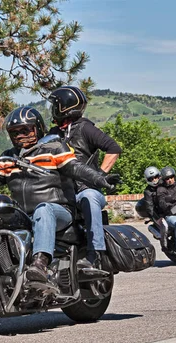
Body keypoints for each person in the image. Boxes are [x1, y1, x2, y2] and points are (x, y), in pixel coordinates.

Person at [0, 106, 121, 285]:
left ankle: (41, 264)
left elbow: (75, 167)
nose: (20, 135)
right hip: (25, 215)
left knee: (43, 209)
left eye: (25, 130)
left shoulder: (53, 148)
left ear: (37, 128)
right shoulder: (8, 158)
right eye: (14, 132)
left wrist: (100, 178)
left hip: (59, 210)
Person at [47, 85, 123, 270]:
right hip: (61, 192)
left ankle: (95, 253)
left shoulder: (85, 128)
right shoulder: (53, 134)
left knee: (89, 197)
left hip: (85, 190)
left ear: (64, 107)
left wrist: (100, 176)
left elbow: (113, 148)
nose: (52, 109)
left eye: (55, 105)